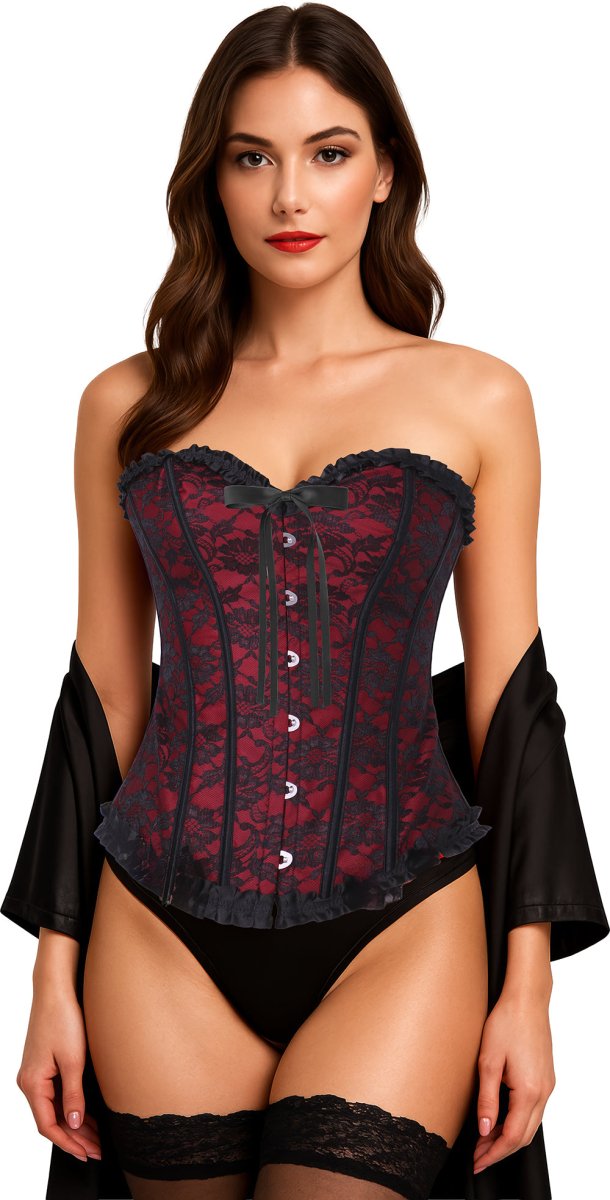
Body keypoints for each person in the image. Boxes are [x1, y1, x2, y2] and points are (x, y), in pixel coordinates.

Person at [5, 5, 607, 1199]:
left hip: (404, 916)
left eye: (328, 153)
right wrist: (48, 976)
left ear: (384, 172)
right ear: (212, 178)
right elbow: (106, 698)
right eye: (252, 157)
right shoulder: (125, 404)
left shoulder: (477, 398)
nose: (290, 195)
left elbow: (509, 702)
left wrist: (530, 983)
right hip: (156, 925)